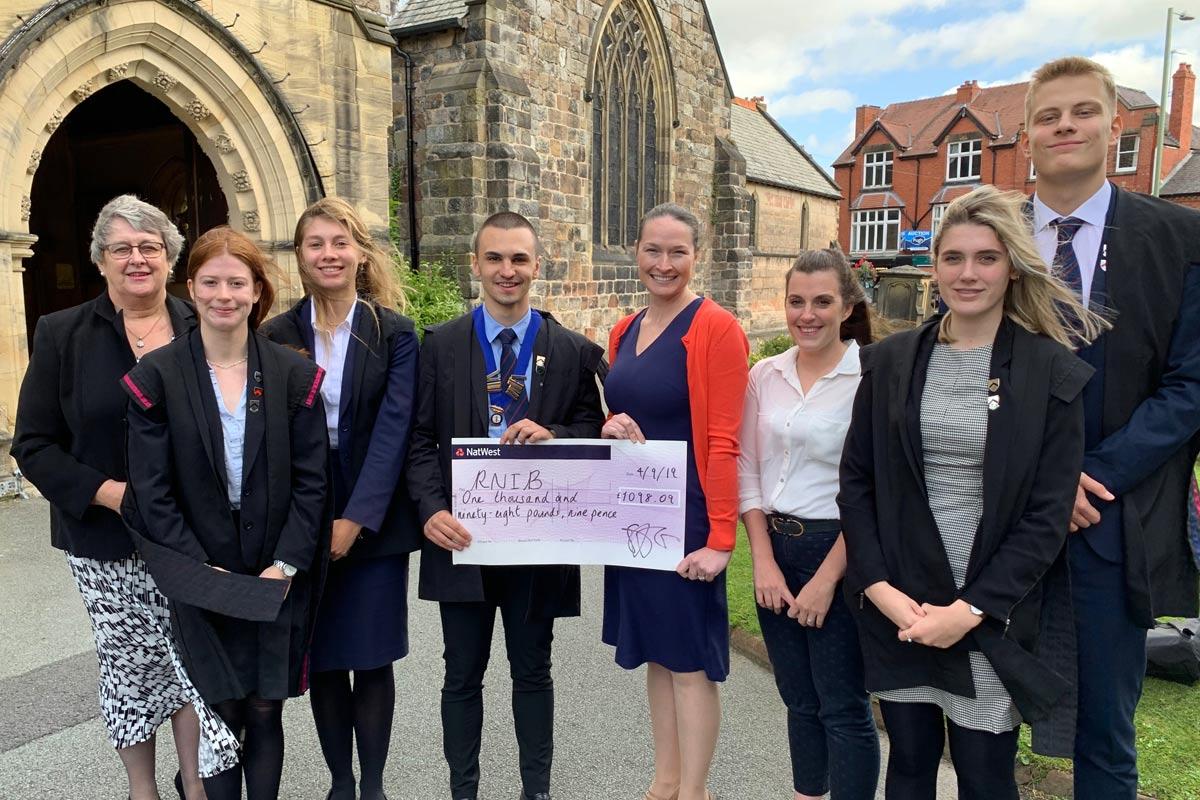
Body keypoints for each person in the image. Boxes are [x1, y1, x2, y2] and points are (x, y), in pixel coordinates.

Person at [839, 185, 1107, 800]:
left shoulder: (1050, 372)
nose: (968, 273)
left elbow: (1046, 516)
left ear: (1012, 267)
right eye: (953, 258)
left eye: (986, 257)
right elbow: (856, 481)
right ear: (934, 268)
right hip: (901, 601)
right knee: (907, 763)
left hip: (989, 611)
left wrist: (971, 609)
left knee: (985, 775)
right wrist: (879, 588)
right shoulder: (891, 361)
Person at [1022, 56, 1200, 798]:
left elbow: (1191, 383)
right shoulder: (989, 236)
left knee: (1105, 734)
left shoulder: (1174, 238)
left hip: (1111, 520)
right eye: (1048, 115)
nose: (1065, 125)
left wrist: (1091, 477)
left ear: (1113, 125)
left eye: (1083, 111)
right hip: (1003, 518)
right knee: (982, 720)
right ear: (1028, 133)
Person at [12, 194, 212, 800]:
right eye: (122, 248)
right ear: (101, 260)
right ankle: (142, 790)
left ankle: (199, 784)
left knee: (192, 655)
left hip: (195, 531)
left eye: (150, 247)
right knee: (130, 660)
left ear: (170, 259)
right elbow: (34, 443)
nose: (136, 259)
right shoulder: (62, 333)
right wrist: (107, 492)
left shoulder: (203, 326)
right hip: (103, 538)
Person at [121, 227, 329, 800]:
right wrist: (195, 566)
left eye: (238, 282)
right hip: (200, 572)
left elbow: (314, 484)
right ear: (191, 288)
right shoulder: (156, 377)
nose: (224, 295)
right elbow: (150, 488)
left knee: (264, 708)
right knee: (218, 712)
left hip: (274, 572)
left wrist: (287, 564)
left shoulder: (294, 376)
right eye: (210, 282)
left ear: (257, 290)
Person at [405, 211, 605, 800]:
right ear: (476, 265)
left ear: (537, 266)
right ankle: (462, 790)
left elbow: (592, 426)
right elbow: (418, 440)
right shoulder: (440, 344)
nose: (507, 270)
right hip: (460, 538)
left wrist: (557, 436)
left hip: (538, 543)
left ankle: (535, 789)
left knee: (533, 672)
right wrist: (428, 509)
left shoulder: (569, 349)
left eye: (519, 259)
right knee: (461, 675)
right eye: (494, 258)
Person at [260, 197, 420, 800]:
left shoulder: (394, 333)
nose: (328, 254)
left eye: (339, 242)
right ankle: (340, 783)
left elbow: (395, 429)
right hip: (302, 512)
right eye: (315, 244)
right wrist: (313, 520)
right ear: (299, 256)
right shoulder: (277, 334)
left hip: (374, 516)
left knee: (372, 656)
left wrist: (355, 519)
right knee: (324, 657)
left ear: (359, 251)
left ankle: (374, 784)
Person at [601, 203, 750, 800]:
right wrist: (612, 423)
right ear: (637, 252)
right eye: (653, 250)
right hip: (636, 515)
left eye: (677, 252)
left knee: (688, 664)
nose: (664, 263)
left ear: (697, 256)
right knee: (659, 658)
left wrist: (720, 540)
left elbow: (724, 439)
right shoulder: (624, 329)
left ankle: (695, 790)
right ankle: (664, 781)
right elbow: (623, 410)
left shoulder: (714, 327)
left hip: (687, 517)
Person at [737, 249, 879, 800]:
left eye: (822, 301)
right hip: (775, 546)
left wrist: (826, 580)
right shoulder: (764, 375)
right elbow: (747, 467)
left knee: (842, 705)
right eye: (797, 301)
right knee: (798, 699)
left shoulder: (870, 375)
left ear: (847, 306)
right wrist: (763, 562)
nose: (808, 314)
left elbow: (875, 491)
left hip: (838, 550)